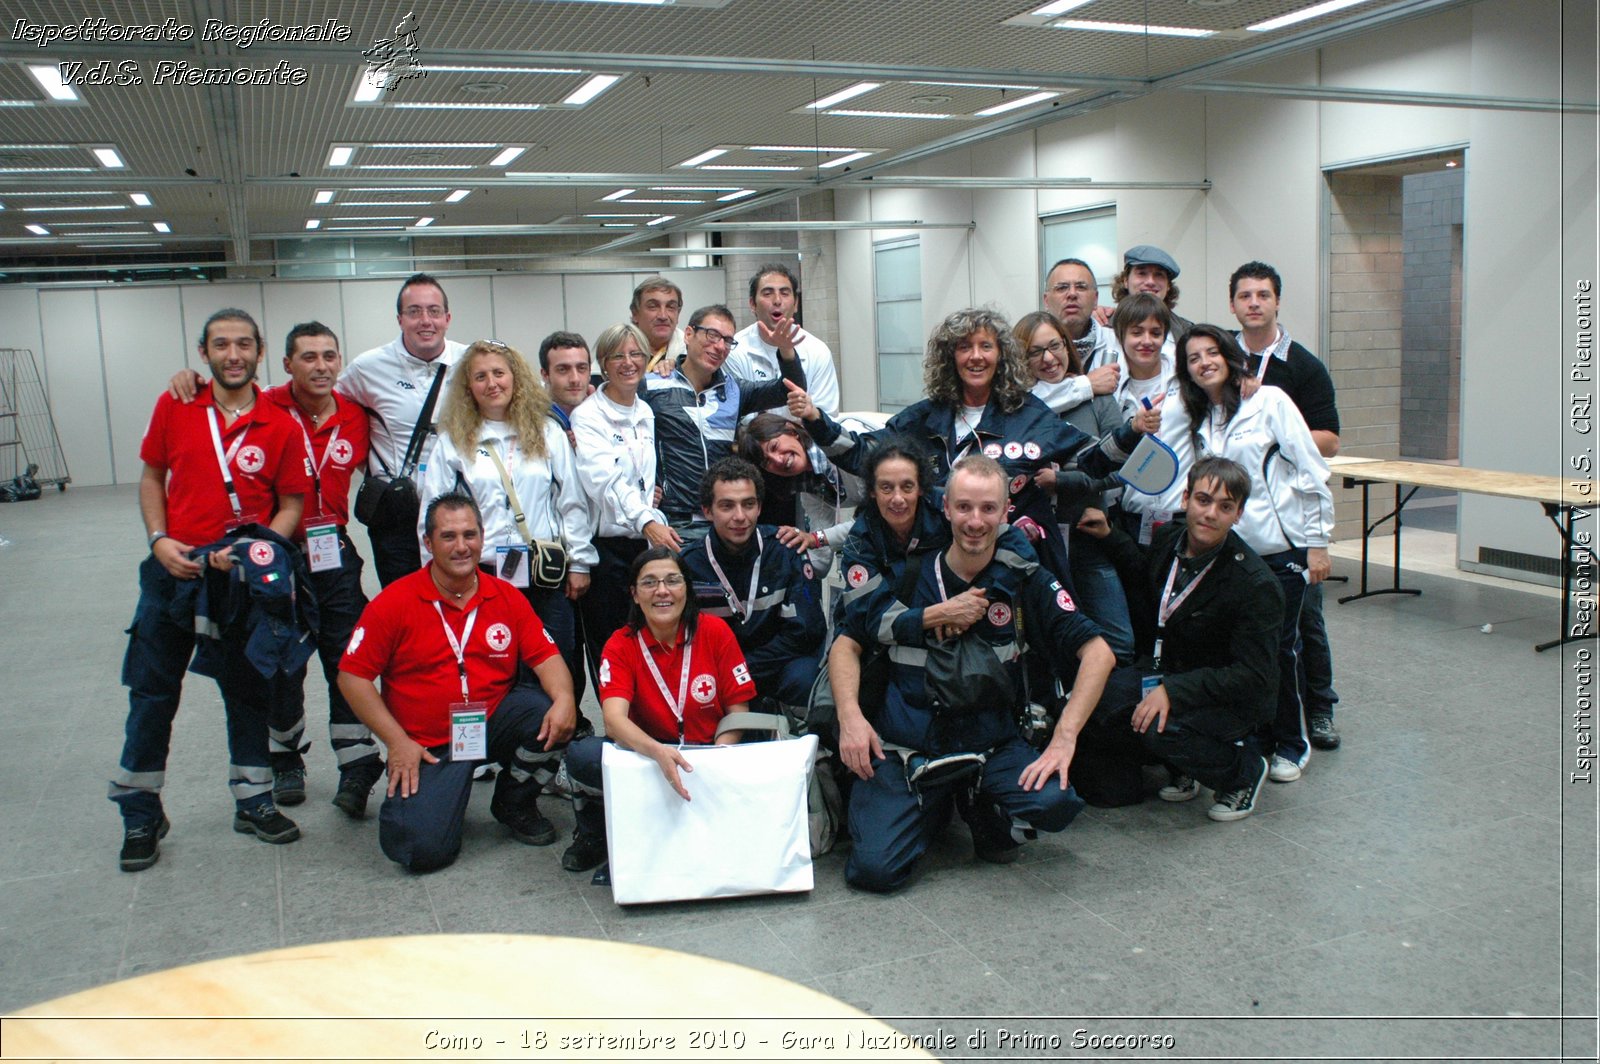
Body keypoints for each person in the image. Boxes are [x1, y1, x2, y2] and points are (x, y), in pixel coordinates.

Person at [829, 456, 1119, 892]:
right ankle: (934, 803)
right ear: (945, 508)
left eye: (988, 509)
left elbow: (1099, 654)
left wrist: (1065, 737)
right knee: (874, 872)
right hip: (908, 747)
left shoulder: (1025, 580)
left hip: (989, 744)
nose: (975, 521)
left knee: (1055, 802)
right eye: (964, 508)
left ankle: (976, 793)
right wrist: (851, 718)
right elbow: (845, 644)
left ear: (1006, 513)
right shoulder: (907, 574)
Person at [113, 308, 311, 871]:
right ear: (204, 353)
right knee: (152, 692)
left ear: (260, 350)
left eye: (244, 345)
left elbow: (292, 503)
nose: (233, 355)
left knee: (247, 690)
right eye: (221, 345)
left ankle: (253, 799)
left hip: (240, 581)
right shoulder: (176, 405)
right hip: (175, 570)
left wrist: (256, 551)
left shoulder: (279, 423)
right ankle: (140, 811)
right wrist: (158, 540)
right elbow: (153, 476)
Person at [1099, 324, 1333, 782]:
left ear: (1228, 356)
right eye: (1193, 358)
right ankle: (1255, 739)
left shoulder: (1271, 402)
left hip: (1281, 549)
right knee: (1235, 652)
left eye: (1212, 354)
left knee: (1281, 651)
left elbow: (1311, 470)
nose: (1204, 362)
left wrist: (1319, 543)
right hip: (1234, 551)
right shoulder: (1206, 417)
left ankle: (1291, 742)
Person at [338, 494, 579, 873]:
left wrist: (565, 698)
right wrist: (396, 741)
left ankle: (514, 801)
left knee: (551, 714)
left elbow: (546, 657)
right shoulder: (395, 602)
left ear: (483, 538)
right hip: (428, 744)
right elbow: (352, 676)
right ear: (428, 543)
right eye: (448, 536)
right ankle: (440, 794)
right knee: (419, 849)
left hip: (492, 720)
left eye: (470, 534)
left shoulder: (506, 596)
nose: (462, 546)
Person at [789, 306, 1097, 588]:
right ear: (950, 357)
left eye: (986, 346)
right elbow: (862, 456)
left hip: (1010, 571)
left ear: (1001, 356)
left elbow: (1093, 460)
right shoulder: (923, 419)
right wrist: (816, 419)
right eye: (964, 347)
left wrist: (1134, 431)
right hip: (936, 570)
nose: (976, 356)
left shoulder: (1029, 414)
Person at [1075, 457, 1282, 821]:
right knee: (1100, 700)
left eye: (1225, 506)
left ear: (1238, 515)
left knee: (1159, 726)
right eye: (1203, 500)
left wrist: (1175, 691)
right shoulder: (1171, 539)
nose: (1210, 514)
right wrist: (1110, 535)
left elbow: (1254, 676)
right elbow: (1145, 574)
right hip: (1169, 670)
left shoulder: (1255, 584)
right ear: (1186, 498)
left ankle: (1242, 771)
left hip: (1228, 698)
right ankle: (1185, 765)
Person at [416, 340, 596, 707]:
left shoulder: (547, 433)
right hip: (483, 574)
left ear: (516, 378)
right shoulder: (453, 442)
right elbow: (431, 516)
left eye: (499, 373)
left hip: (545, 572)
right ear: (469, 386)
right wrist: (433, 577)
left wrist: (579, 562)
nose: (492, 383)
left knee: (556, 660)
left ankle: (550, 749)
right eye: (480, 376)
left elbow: (572, 503)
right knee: (493, 662)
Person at [559, 548, 758, 874]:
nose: (662, 591)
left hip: (708, 756)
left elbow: (738, 709)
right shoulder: (620, 644)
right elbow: (613, 720)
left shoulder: (716, 632)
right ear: (635, 595)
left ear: (686, 590)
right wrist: (657, 752)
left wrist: (721, 756)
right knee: (582, 755)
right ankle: (594, 834)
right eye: (649, 583)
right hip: (647, 757)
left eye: (672, 581)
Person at [260, 321, 386, 818]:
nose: (320, 366)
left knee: (346, 659)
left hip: (332, 549)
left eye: (329, 356)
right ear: (287, 364)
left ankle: (357, 764)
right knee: (282, 661)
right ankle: (284, 755)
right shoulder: (264, 406)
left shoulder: (355, 415)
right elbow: (217, 400)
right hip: (277, 552)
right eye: (308, 357)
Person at [1229, 260, 1344, 751]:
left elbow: (1330, 441)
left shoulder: (1303, 366)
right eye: (1245, 295)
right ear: (1232, 304)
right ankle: (1255, 721)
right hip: (1236, 522)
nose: (1254, 303)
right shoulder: (1222, 359)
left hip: (1289, 523)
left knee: (1303, 624)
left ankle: (1318, 710)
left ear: (1277, 301)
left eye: (1263, 295)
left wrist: (1276, 424)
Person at [1014, 310, 1133, 664]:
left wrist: (1062, 480)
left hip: (1088, 537)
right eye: (1035, 352)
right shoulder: (1016, 409)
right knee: (1047, 643)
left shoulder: (1097, 398)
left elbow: (1122, 468)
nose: (1048, 358)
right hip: (1036, 544)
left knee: (1118, 639)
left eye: (1055, 346)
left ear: (1068, 346)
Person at [339, 273, 468, 587]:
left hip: (459, 510)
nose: (425, 320)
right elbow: (324, 404)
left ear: (448, 318)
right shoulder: (368, 367)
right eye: (414, 312)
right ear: (400, 319)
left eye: (434, 311)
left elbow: (521, 401)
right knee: (405, 605)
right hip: (397, 514)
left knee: (459, 599)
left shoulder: (471, 361)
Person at [571, 323, 678, 690]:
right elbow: (604, 482)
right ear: (603, 362)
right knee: (610, 647)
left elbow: (643, 475)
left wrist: (652, 500)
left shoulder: (645, 411)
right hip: (608, 551)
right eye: (618, 355)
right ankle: (618, 729)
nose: (628, 363)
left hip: (643, 546)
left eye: (636, 354)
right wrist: (645, 518)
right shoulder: (587, 416)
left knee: (647, 641)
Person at [643, 304, 805, 529]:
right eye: (712, 335)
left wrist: (786, 350)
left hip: (725, 520)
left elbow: (789, 389)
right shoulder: (653, 385)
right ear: (688, 334)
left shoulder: (734, 390)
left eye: (727, 340)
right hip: (672, 520)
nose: (719, 346)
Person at [679, 458, 824, 708]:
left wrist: (744, 670)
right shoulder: (689, 565)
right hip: (715, 673)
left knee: (807, 677)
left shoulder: (785, 549)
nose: (740, 516)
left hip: (777, 664)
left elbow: (808, 630)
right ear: (707, 511)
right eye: (727, 506)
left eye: (748, 504)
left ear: (759, 507)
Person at [726, 263, 841, 419]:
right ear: (752, 304)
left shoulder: (817, 351)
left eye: (785, 293)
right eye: (767, 293)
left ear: (796, 304)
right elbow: (736, 414)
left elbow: (827, 415)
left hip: (804, 441)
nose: (777, 301)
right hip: (754, 441)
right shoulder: (734, 349)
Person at [1041, 258, 1120, 396]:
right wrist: (1087, 384)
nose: (1072, 294)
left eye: (1081, 287)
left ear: (1095, 299)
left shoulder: (1118, 343)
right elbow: (1023, 403)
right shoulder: (1030, 348)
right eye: (1062, 287)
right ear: (1046, 301)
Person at [1098, 244, 1194, 345]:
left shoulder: (1186, 331)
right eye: (1142, 273)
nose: (1150, 282)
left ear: (1168, 285)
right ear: (1125, 280)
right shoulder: (1102, 323)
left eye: (1158, 275)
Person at [537, 330, 593, 447]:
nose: (575, 379)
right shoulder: (530, 422)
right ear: (545, 375)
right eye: (563, 369)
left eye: (581, 368)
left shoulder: (604, 416)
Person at [630, 276, 687, 373]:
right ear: (635, 313)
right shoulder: (615, 350)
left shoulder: (691, 354)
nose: (663, 316)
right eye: (653, 306)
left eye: (671, 307)